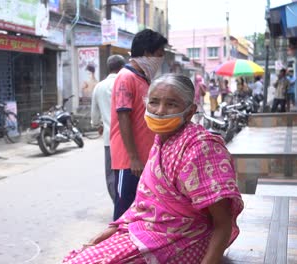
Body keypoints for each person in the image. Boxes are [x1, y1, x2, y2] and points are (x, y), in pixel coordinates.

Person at [63, 74, 244, 264]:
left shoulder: (201, 148)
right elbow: (144, 204)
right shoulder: (161, 141)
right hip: (146, 232)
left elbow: (222, 223)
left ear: (190, 112)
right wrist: (112, 229)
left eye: (171, 104)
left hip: (188, 240)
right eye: (154, 102)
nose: (159, 111)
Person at [109, 29, 168, 221]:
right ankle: (112, 250)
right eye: (159, 54)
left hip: (144, 158)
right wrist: (133, 157)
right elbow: (123, 116)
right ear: (147, 53)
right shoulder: (126, 77)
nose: (160, 59)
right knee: (123, 212)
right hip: (129, 161)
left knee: (140, 212)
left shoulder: (143, 79)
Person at [91, 55, 126, 202]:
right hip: (127, 137)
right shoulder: (125, 83)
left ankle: (117, 203)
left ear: (108, 67)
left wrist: (97, 125)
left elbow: (94, 114)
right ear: (122, 67)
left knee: (111, 174)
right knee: (127, 172)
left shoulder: (99, 86)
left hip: (109, 138)